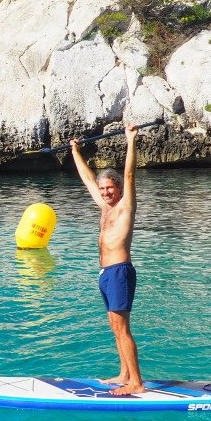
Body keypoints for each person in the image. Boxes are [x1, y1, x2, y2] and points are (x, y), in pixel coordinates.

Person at [69, 123, 143, 396]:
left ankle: (136, 381)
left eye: (109, 189)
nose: (104, 193)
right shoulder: (104, 208)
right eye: (102, 190)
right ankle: (124, 373)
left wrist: (130, 140)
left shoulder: (125, 205)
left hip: (120, 271)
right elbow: (88, 179)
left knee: (122, 328)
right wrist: (75, 151)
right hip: (106, 273)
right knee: (115, 325)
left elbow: (130, 172)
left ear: (118, 188)